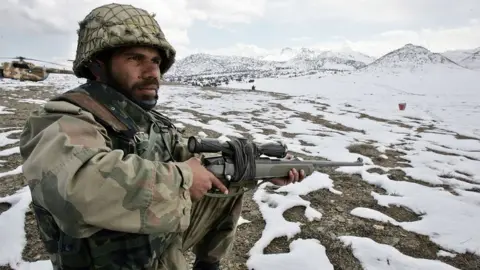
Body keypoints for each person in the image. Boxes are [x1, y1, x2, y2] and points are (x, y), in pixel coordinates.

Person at [19, 3, 305, 270]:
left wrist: (257, 170)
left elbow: (187, 157)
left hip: (152, 243)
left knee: (225, 188)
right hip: (107, 260)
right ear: (97, 65)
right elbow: (76, 190)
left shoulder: (142, 118)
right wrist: (184, 178)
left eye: (156, 61)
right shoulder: (65, 117)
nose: (152, 72)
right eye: (135, 58)